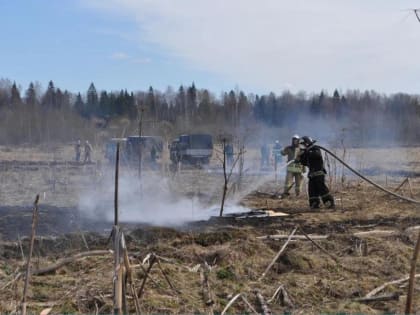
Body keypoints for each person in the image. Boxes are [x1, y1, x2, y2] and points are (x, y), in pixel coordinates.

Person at [297, 136, 335, 209]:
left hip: (319, 173)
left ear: (307, 143)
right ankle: (314, 203)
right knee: (312, 190)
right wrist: (300, 158)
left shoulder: (315, 149)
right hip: (312, 175)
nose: (302, 146)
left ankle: (329, 202)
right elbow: (304, 162)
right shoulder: (306, 152)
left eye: (303, 144)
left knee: (322, 189)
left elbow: (316, 155)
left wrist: (306, 152)